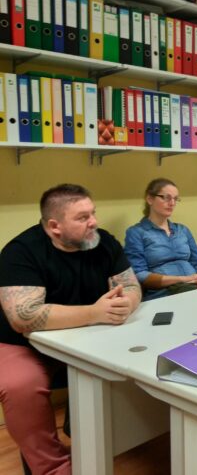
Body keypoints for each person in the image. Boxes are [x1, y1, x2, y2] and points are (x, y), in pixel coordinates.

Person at [0, 184, 141, 475]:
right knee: (20, 386)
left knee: (134, 360)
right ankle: (53, 467)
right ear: (55, 226)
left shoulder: (102, 242)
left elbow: (130, 284)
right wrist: (93, 313)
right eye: (82, 217)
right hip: (22, 343)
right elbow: (23, 317)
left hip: (88, 334)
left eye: (93, 213)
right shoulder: (20, 252)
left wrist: (126, 303)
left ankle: (97, 435)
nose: (94, 222)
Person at [124, 178, 197, 300]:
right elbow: (139, 274)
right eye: (166, 197)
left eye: (175, 199)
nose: (172, 203)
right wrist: (183, 279)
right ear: (150, 199)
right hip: (164, 294)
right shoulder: (136, 233)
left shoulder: (182, 230)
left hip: (196, 288)